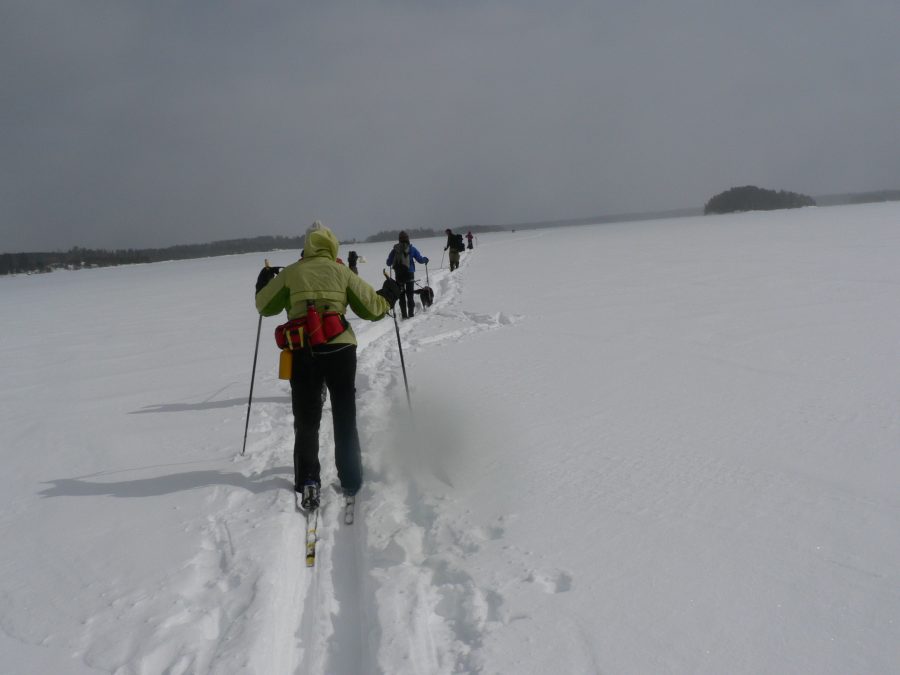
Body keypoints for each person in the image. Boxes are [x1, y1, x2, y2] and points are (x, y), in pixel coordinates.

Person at [255, 221, 401, 510]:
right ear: (332, 244)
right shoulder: (341, 271)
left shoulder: (293, 272)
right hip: (341, 350)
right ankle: (350, 477)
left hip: (303, 352)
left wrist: (263, 280)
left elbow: (264, 306)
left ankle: (308, 480)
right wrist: (390, 292)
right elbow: (374, 309)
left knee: (306, 419)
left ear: (307, 244)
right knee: (344, 414)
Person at [385, 231, 429, 319]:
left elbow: (388, 263)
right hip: (410, 275)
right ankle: (411, 314)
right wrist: (425, 260)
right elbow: (420, 260)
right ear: (408, 239)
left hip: (399, 275)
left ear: (399, 240)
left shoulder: (395, 250)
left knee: (401, 296)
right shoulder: (412, 249)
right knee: (410, 295)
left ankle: (404, 315)